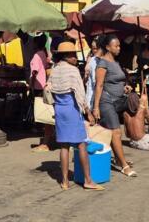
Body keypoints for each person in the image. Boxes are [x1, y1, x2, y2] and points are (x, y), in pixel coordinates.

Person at [46, 41, 103, 191]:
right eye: (73, 55)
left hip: (59, 110)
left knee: (64, 145)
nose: (76, 58)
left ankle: (64, 181)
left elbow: (48, 89)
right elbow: (80, 94)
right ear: (67, 56)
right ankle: (88, 180)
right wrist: (88, 112)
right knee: (81, 144)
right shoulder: (72, 71)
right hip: (72, 110)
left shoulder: (54, 70)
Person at [91, 35, 137, 177]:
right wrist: (96, 107)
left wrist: (126, 87)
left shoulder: (115, 63)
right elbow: (99, 85)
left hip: (118, 100)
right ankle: (124, 166)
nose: (119, 48)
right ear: (107, 47)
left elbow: (117, 81)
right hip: (106, 101)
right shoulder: (102, 63)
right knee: (116, 132)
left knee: (113, 132)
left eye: (119, 45)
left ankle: (118, 159)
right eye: (116, 46)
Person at [84, 40, 100, 110]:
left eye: (97, 48)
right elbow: (89, 79)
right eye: (94, 48)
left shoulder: (104, 60)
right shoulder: (91, 60)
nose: (96, 50)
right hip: (92, 90)